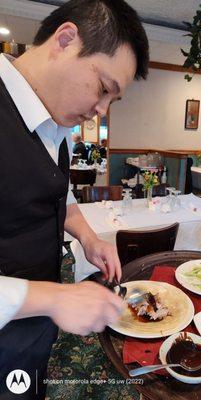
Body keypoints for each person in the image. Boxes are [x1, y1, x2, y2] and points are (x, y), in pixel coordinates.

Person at [0, 0, 149, 398]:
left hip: (31, 327)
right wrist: (54, 296)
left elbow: (52, 188)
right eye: (104, 89)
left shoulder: (54, 121)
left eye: (112, 101)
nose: (100, 110)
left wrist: (88, 237)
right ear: (65, 40)